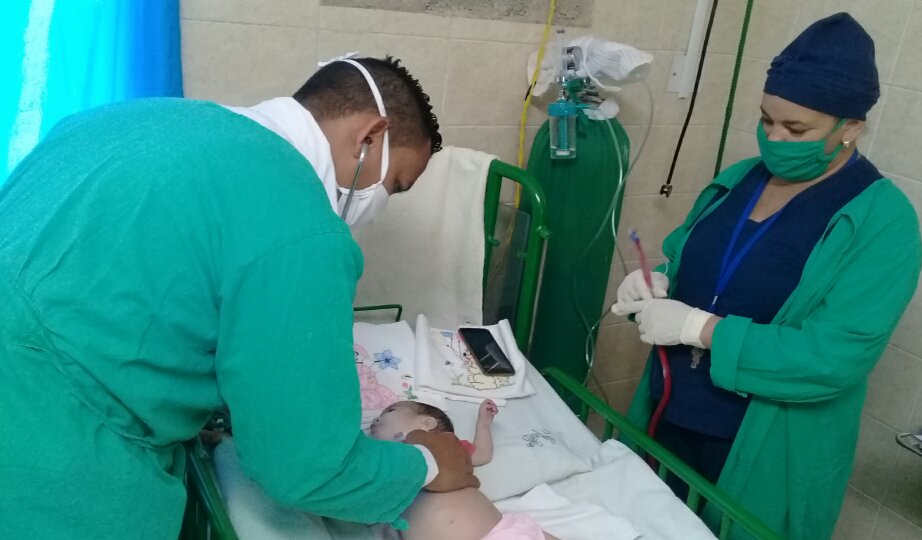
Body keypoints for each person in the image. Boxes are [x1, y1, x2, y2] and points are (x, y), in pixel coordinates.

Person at [0, 56, 478, 538]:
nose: (379, 203)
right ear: (370, 136)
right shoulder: (302, 231)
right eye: (394, 185)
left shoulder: (117, 121)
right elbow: (306, 467)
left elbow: (134, 294)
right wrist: (426, 465)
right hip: (50, 463)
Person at [611, 13, 922, 540]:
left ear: (850, 127)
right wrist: (658, 281)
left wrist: (699, 330)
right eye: (766, 119)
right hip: (671, 412)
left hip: (762, 443)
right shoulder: (740, 180)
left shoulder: (882, 223)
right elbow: (700, 263)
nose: (775, 138)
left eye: (796, 129)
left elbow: (834, 357)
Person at [368, 400, 559, 540]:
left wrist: (483, 423)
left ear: (427, 423)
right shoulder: (380, 464)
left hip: (500, 532)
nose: (376, 419)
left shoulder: (451, 448)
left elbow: (482, 454)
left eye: (390, 410)